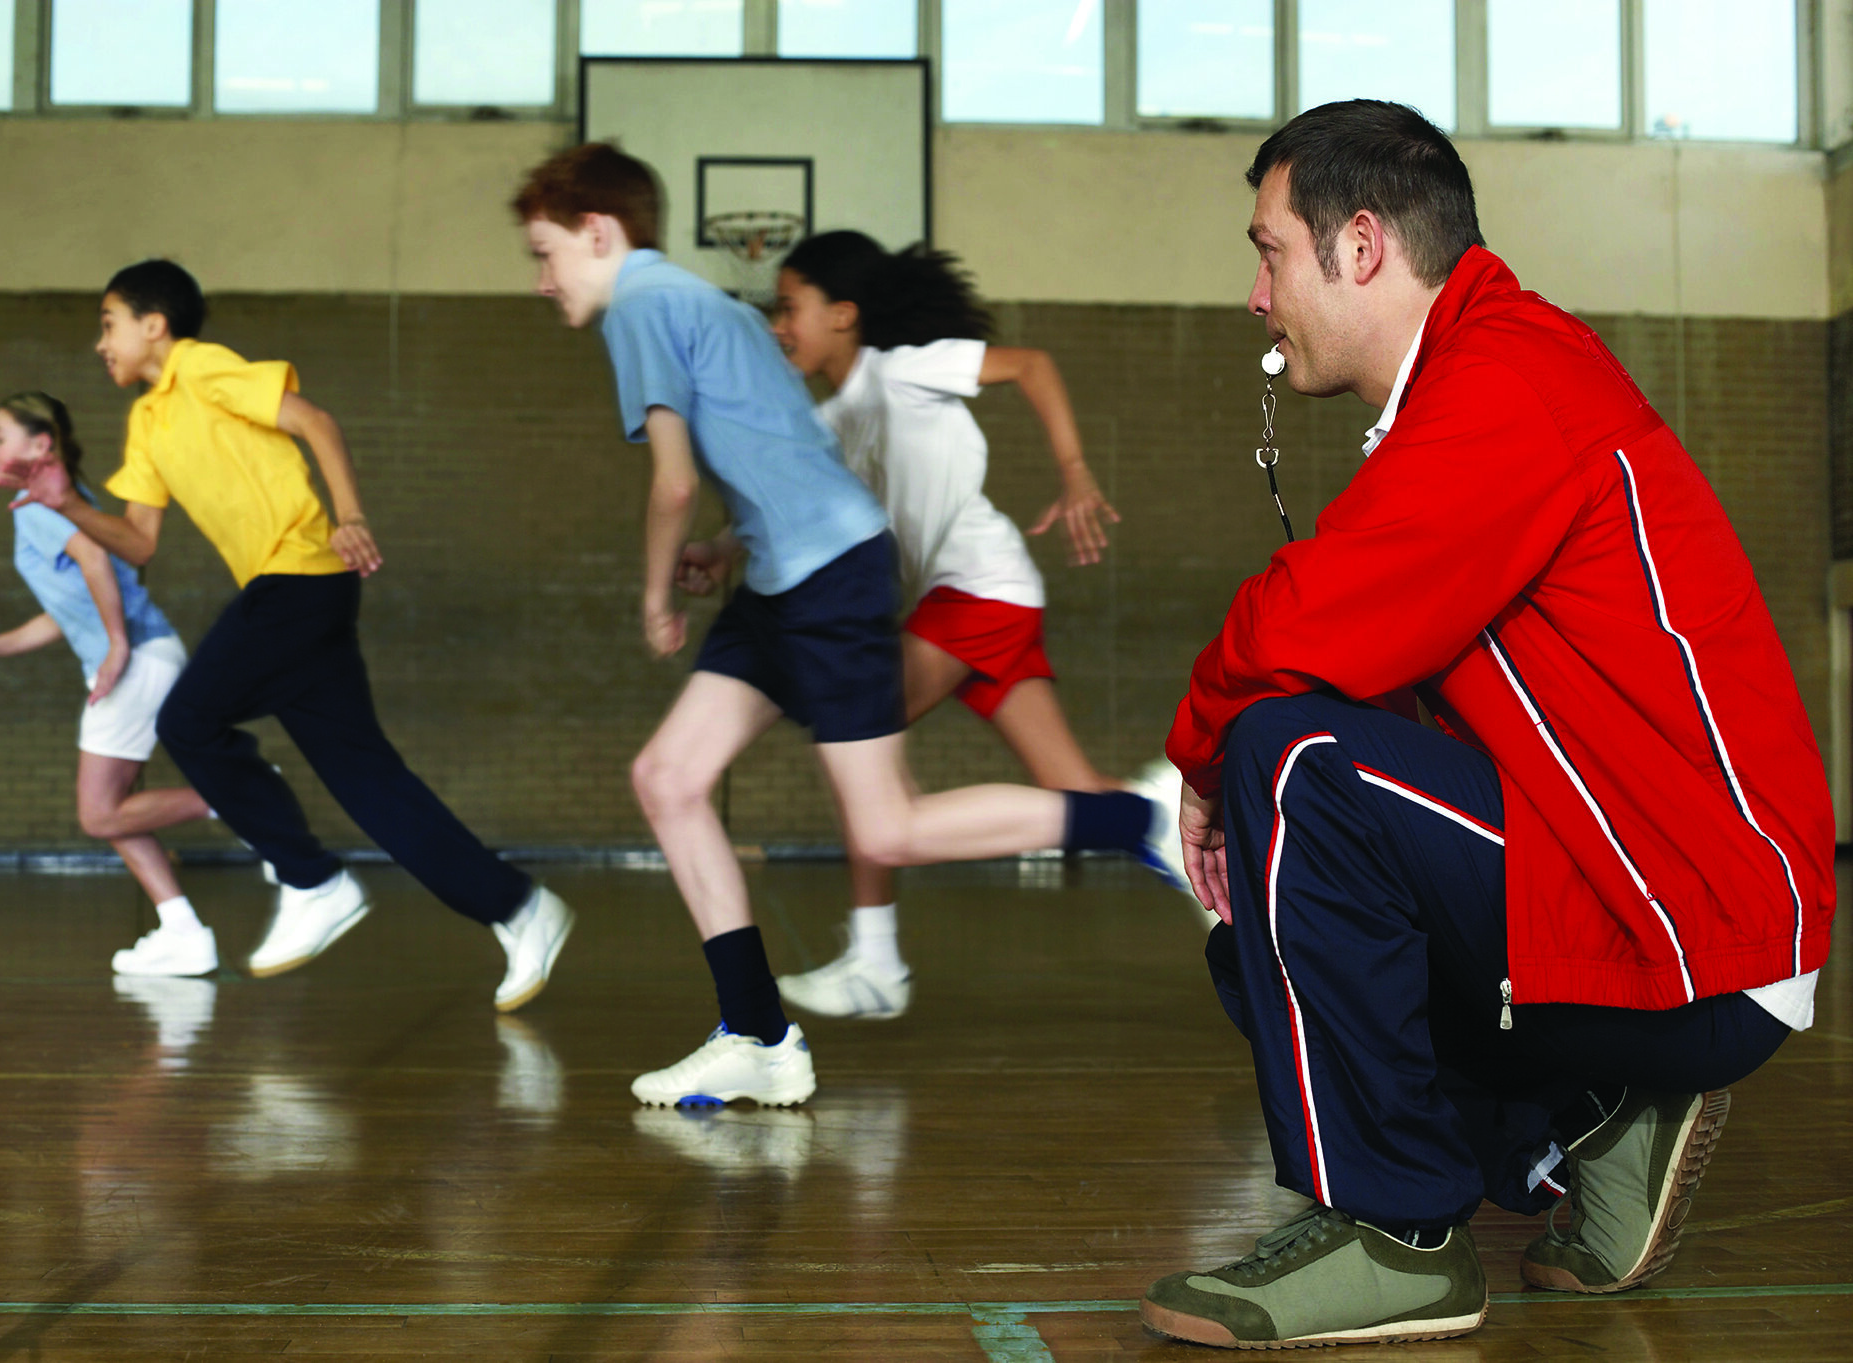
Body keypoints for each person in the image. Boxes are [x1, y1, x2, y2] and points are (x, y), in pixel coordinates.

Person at [1139, 100, 1835, 1349]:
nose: (1255, 294)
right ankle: (1594, 1132)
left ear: (1360, 246)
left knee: (1288, 760)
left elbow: (1309, 622)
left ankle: (1399, 1237)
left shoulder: (1507, 378)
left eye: (1267, 251)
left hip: (1691, 922)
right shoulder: (1475, 381)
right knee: (1259, 926)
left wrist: (1199, 762)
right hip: (1649, 899)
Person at [511, 144, 1180, 1107]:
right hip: (791, 576)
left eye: (547, 254)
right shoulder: (715, 307)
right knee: (667, 776)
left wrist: (658, 590)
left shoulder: (645, 306)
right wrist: (731, 545)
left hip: (826, 581)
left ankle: (1135, 816)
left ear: (600, 234)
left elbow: (672, 479)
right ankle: (756, 1033)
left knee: (889, 827)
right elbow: (785, 455)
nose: (542, 280)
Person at [3, 260, 572, 1013]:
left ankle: (312, 881)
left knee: (188, 720)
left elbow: (314, 421)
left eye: (109, 324)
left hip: (300, 575)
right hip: (291, 596)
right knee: (370, 781)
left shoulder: (202, 369)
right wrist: (68, 501)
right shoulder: (145, 420)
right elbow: (138, 541)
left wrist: (350, 514)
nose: (99, 342)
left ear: (155, 325)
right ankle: (521, 908)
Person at [763, 231, 1196, 1020]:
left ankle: (875, 958)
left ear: (845, 314)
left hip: (980, 594)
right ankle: (1179, 826)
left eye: (790, 307)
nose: (777, 324)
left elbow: (1030, 365)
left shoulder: (903, 369)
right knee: (1076, 795)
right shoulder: (833, 422)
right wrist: (720, 546)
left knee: (855, 732)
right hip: (985, 598)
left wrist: (1073, 472)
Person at [0, 392, 217, 977]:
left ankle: (240, 799)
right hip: (139, 656)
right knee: (112, 812)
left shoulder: (38, 506)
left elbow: (93, 563)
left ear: (40, 446)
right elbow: (68, 611)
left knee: (98, 814)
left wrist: (116, 646)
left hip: (135, 658)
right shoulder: (55, 502)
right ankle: (183, 931)